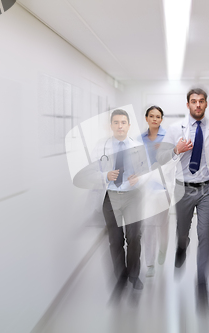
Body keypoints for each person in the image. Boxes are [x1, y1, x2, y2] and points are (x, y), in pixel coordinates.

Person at [157, 88, 209, 307]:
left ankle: (201, 282)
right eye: (193, 101)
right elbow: (161, 157)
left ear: (206, 104)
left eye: (201, 101)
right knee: (182, 232)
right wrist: (176, 150)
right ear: (187, 104)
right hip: (183, 188)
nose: (197, 105)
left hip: (208, 189)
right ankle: (181, 247)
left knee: (205, 234)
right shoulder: (174, 129)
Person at [91, 109, 149, 295]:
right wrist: (104, 175)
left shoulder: (138, 145)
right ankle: (120, 277)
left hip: (133, 197)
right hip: (111, 196)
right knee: (114, 241)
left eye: (123, 122)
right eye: (116, 122)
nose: (120, 126)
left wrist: (139, 178)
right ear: (111, 126)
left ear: (129, 126)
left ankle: (134, 274)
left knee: (134, 238)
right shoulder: (102, 147)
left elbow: (148, 171)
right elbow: (91, 172)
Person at [141, 106, 169, 278]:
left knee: (162, 224)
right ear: (146, 118)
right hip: (146, 189)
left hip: (164, 187)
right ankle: (149, 263)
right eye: (151, 116)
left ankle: (163, 249)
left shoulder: (168, 137)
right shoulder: (139, 139)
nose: (154, 119)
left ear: (161, 119)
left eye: (158, 116)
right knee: (148, 225)